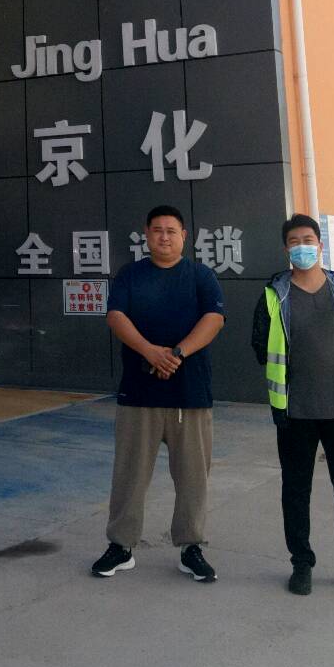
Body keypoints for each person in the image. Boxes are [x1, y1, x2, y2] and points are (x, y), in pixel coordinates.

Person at [92, 204, 226, 582]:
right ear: (146, 235)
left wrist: (177, 353)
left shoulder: (201, 276)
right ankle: (121, 546)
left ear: (184, 236)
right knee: (129, 475)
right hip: (139, 394)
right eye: (157, 230)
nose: (164, 237)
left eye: (171, 230)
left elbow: (214, 319)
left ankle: (191, 547)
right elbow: (116, 316)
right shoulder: (131, 275)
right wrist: (149, 351)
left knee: (193, 478)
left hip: (190, 394)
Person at [251, 214, 334, 597]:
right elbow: (260, 344)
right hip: (295, 414)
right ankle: (301, 564)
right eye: (294, 241)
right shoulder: (274, 294)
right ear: (286, 249)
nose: (302, 247)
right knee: (296, 491)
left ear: (320, 245)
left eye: (308, 239)